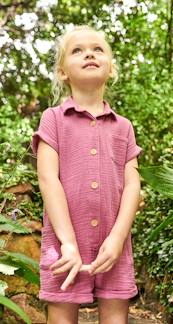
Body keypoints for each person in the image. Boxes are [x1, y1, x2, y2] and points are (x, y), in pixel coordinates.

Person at [31, 25, 143, 324]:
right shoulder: (53, 118)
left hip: (114, 245)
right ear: (62, 71)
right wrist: (68, 242)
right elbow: (47, 179)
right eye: (77, 50)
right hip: (63, 242)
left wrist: (118, 237)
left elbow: (133, 184)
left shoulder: (124, 127)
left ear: (111, 68)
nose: (89, 53)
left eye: (98, 49)